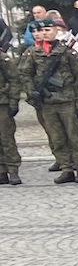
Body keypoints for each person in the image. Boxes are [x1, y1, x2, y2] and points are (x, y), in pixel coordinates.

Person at [24, 18, 78, 183]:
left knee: (74, 136)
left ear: (56, 31)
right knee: (56, 137)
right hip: (46, 102)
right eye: (42, 30)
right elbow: (25, 74)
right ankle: (66, 168)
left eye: (48, 30)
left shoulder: (66, 51)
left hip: (67, 100)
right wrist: (32, 92)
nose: (45, 33)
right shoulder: (33, 52)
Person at [0, 44, 22, 186]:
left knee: (6, 137)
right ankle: (1, 171)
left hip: (2, 103)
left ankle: (13, 169)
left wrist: (14, 101)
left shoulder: (2, 58)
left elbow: (14, 79)